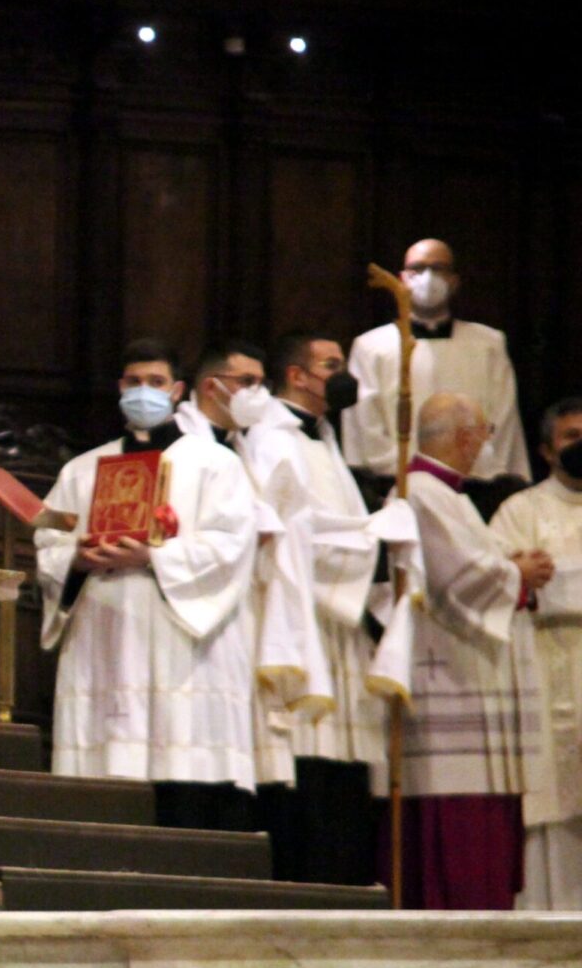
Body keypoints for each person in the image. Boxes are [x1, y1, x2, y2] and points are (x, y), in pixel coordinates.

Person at [36, 338, 261, 830]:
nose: (144, 392)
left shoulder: (215, 464)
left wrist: (155, 556)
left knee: (180, 775)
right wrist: (76, 559)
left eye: (156, 383)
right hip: (104, 629)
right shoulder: (81, 469)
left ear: (177, 390)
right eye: (134, 382)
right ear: (119, 388)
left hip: (178, 637)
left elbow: (232, 545)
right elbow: (48, 547)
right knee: (106, 785)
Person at [390, 392, 551, 909]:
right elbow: (456, 579)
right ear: (464, 436)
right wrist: (515, 574)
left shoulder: (450, 496)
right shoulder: (420, 492)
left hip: (467, 674)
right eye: (484, 432)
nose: (486, 443)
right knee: (457, 820)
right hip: (447, 677)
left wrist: (509, 564)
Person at [238, 331, 388, 885]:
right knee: (310, 760)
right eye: (331, 364)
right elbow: (292, 532)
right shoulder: (273, 438)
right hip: (302, 620)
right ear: (297, 376)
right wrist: (372, 537)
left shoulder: (325, 439)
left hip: (337, 621)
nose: (343, 373)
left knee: (342, 762)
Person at [175, 340, 298, 794]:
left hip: (241, 601)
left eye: (263, 383)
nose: (259, 393)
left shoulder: (240, 446)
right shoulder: (184, 445)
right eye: (247, 382)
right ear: (212, 387)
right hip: (199, 607)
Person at [490, 397, 582, 909]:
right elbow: (491, 584)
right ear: (547, 450)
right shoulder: (520, 511)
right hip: (545, 674)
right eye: (571, 436)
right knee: (554, 806)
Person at [344, 239, 530, 483]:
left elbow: (503, 421)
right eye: (418, 269)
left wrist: (480, 471)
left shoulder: (488, 344)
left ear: (454, 280)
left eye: (438, 268)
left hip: (476, 482)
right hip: (398, 483)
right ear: (402, 278)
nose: (428, 277)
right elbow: (366, 426)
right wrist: (408, 475)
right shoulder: (371, 347)